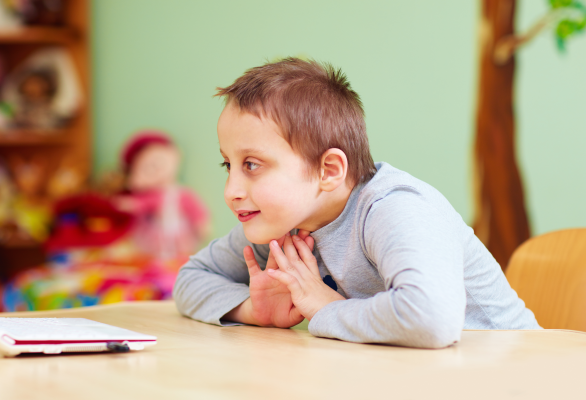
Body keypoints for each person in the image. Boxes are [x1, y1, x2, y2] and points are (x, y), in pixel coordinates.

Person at [173, 58, 540, 349]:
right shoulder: (282, 227)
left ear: (328, 170)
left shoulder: (394, 208)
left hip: (519, 376)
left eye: (252, 165)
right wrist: (254, 310)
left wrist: (325, 308)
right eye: (228, 165)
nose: (231, 190)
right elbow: (191, 279)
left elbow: (432, 318)